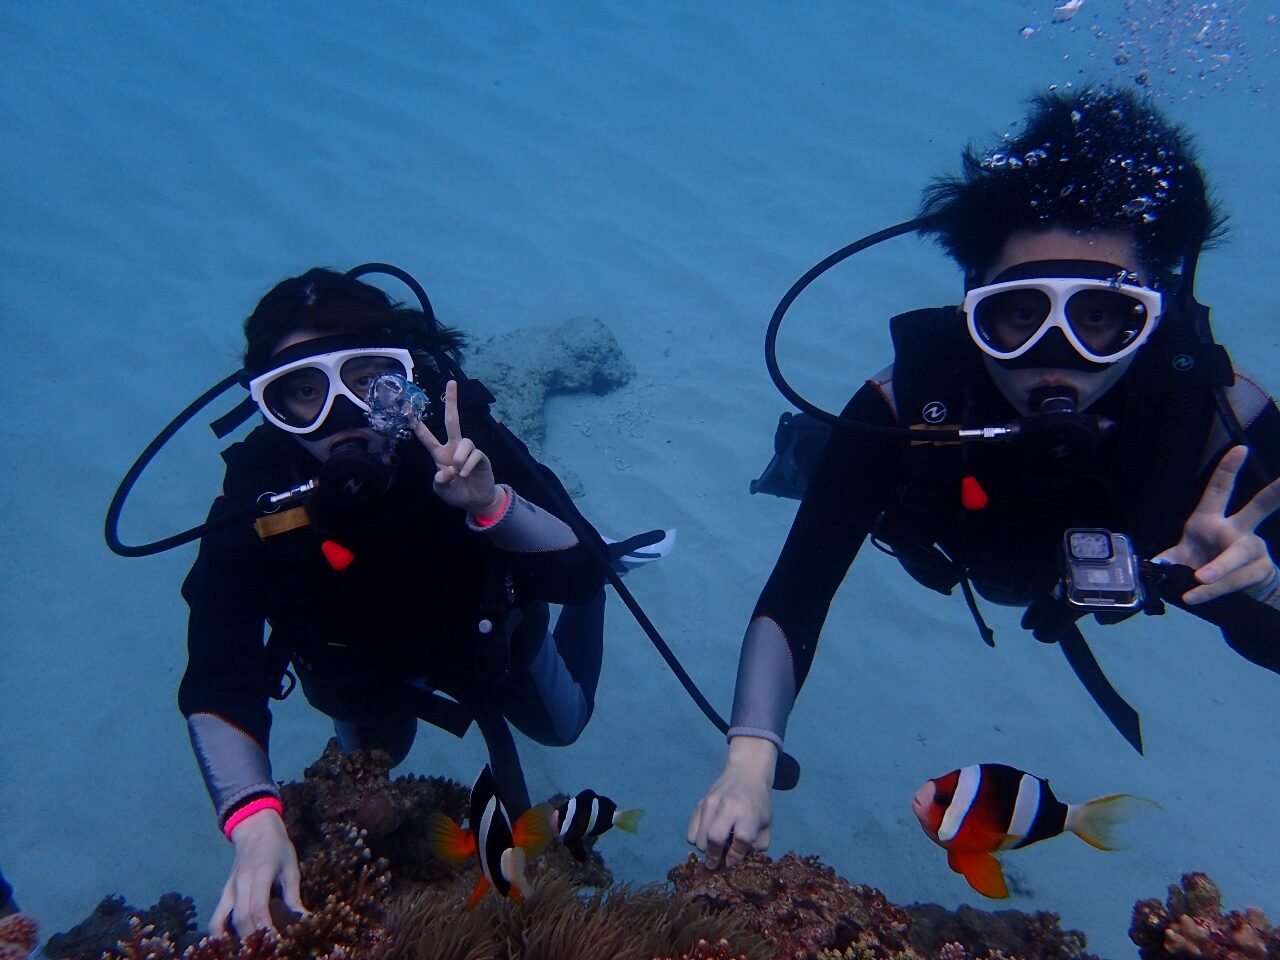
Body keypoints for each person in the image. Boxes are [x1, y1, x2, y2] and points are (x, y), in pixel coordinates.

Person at [688, 88, 1280, 870]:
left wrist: (1259, 595)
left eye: (1100, 316)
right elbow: (800, 585)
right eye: (1019, 314)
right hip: (942, 525)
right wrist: (748, 765)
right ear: (974, 304)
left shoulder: (1224, 423)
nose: (1056, 355)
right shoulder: (901, 405)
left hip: (1071, 564)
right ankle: (810, 455)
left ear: (1155, 312)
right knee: (830, 456)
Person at [179, 268, 611, 935]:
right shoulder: (262, 493)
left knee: (565, 724)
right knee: (379, 758)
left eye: (370, 383)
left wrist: (492, 504)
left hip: (485, 644)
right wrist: (252, 818)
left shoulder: (458, 436)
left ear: (412, 377)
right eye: (301, 393)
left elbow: (582, 572)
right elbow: (218, 662)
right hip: (358, 672)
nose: (345, 419)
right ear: (270, 408)